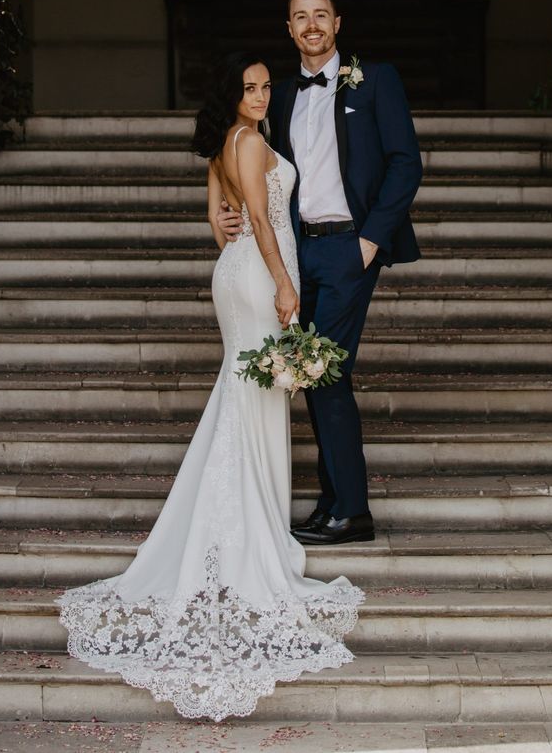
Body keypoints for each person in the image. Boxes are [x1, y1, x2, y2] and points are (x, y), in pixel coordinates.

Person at [56, 51, 363, 721]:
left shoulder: (226, 145)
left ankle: (246, 518)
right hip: (258, 275)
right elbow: (254, 217)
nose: (258, 95)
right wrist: (284, 283)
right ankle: (249, 533)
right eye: (248, 87)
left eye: (262, 86)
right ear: (232, 94)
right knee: (254, 396)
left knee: (246, 393)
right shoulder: (249, 141)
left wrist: (241, 245)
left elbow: (215, 219)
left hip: (235, 271)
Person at [218, 0, 422, 546]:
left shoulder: (376, 79)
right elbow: (235, 147)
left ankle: (351, 511)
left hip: (348, 247)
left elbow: (406, 162)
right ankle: (333, 502)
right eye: (301, 17)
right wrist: (219, 201)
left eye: (321, 16)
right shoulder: (278, 96)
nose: (312, 25)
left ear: (338, 23)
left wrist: (371, 241)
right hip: (294, 247)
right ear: (289, 29)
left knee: (322, 368)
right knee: (313, 374)